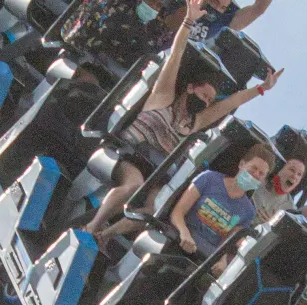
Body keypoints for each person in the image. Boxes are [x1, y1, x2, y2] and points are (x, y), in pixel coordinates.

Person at [82, 0, 283, 246]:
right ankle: (91, 226)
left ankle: (105, 235)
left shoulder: (194, 122)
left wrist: (261, 89)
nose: (206, 100)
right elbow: (175, 55)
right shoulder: (164, 96)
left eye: (209, 99)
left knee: (156, 208)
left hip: (154, 174)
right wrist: (188, 22)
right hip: (127, 155)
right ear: (189, 88)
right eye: (203, 94)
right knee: (133, 185)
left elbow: (230, 103)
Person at [62, 0, 273, 71]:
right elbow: (167, 20)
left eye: (221, 5)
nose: (216, 6)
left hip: (151, 51)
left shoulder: (221, 18)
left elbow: (258, 9)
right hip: (129, 25)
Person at [169, 143, 277, 258]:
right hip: (179, 238)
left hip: (204, 257)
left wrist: (222, 260)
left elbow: (229, 241)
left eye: (261, 174)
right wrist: (184, 233)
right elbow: (177, 212)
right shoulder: (209, 178)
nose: (256, 174)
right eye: (254, 168)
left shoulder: (248, 211)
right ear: (242, 164)